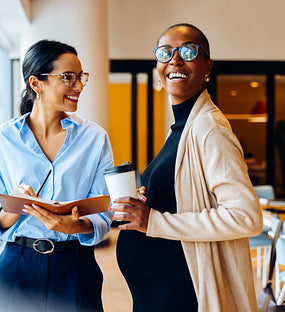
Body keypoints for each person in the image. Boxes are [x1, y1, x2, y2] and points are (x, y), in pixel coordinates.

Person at [111, 23, 263, 312]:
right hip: (158, 290)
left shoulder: (210, 129)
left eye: (188, 51)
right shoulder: (182, 127)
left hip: (184, 292)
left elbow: (246, 217)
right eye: (165, 53)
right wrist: (149, 198)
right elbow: (183, 197)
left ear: (207, 66)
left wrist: (153, 221)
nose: (175, 61)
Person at [0, 39, 114, 312]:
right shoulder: (1, 140)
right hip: (17, 267)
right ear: (36, 83)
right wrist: (13, 208)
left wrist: (76, 227)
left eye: (80, 77)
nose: (79, 86)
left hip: (75, 267)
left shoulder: (94, 138)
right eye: (68, 78)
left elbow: (105, 209)